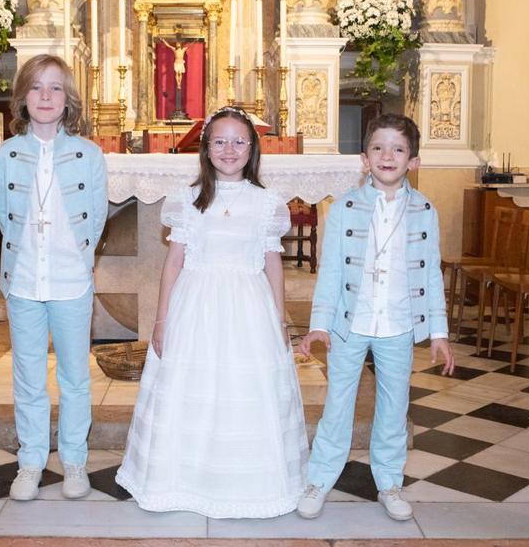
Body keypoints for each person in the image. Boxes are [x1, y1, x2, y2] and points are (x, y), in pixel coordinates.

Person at [116, 106, 309, 518]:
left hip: (249, 307)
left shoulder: (267, 202)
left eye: (239, 141)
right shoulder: (187, 200)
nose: (229, 149)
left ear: (252, 148)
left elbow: (272, 261)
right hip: (196, 305)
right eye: (219, 141)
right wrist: (162, 319)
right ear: (205, 148)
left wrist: (279, 318)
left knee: (245, 392)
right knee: (191, 391)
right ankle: (182, 482)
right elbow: (173, 263)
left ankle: (247, 485)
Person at [296, 114, 454, 522]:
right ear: (365, 158)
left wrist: (439, 332)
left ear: (413, 162)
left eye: (398, 149)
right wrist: (319, 324)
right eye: (378, 148)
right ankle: (319, 479)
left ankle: (389, 482)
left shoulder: (425, 210)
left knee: (393, 406)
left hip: (399, 323)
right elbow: (329, 269)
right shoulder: (346, 206)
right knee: (338, 405)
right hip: (350, 323)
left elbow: (432, 272)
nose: (388, 155)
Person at [0, 54, 107, 501]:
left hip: (71, 279)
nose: (45, 96)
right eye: (36, 87)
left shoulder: (88, 155)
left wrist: (73, 262)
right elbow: (5, 219)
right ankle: (32, 460)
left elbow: (95, 222)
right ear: (23, 97)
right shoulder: (3, 157)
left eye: (55, 88)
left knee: (76, 376)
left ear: (67, 99)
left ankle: (74, 458)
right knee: (28, 374)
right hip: (23, 281)